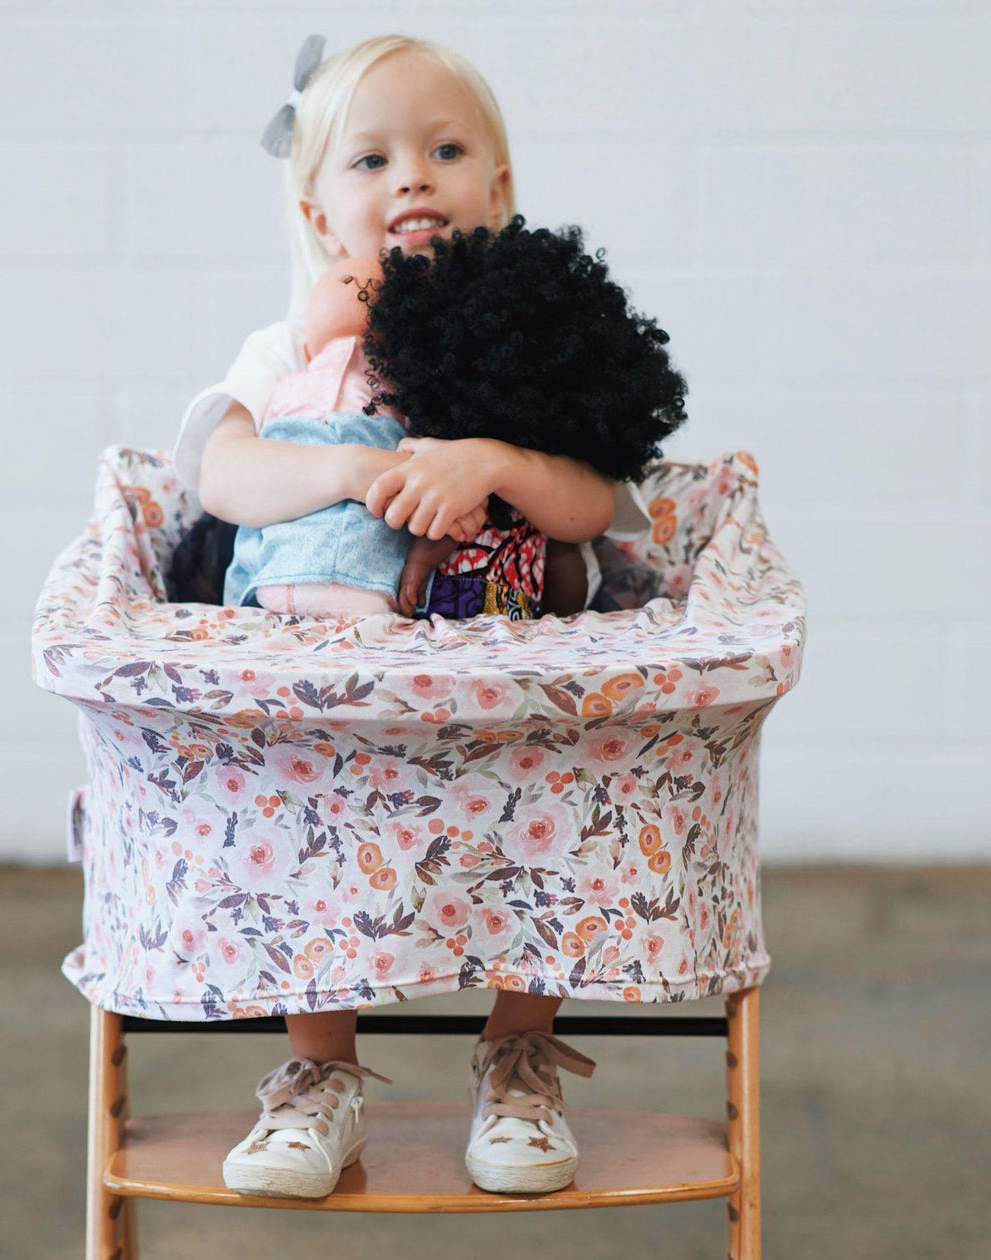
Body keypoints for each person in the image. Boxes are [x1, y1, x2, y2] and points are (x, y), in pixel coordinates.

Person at [172, 33, 611, 1201]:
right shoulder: (288, 346)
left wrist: (492, 458)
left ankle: (516, 1054)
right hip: (333, 666)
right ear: (320, 218)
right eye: (369, 160)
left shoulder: (529, 334)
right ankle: (320, 1074)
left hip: (496, 659)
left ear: (499, 193)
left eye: (444, 149)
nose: (410, 177)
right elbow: (220, 478)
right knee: (301, 812)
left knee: (545, 804)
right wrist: (341, 457)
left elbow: (593, 499)